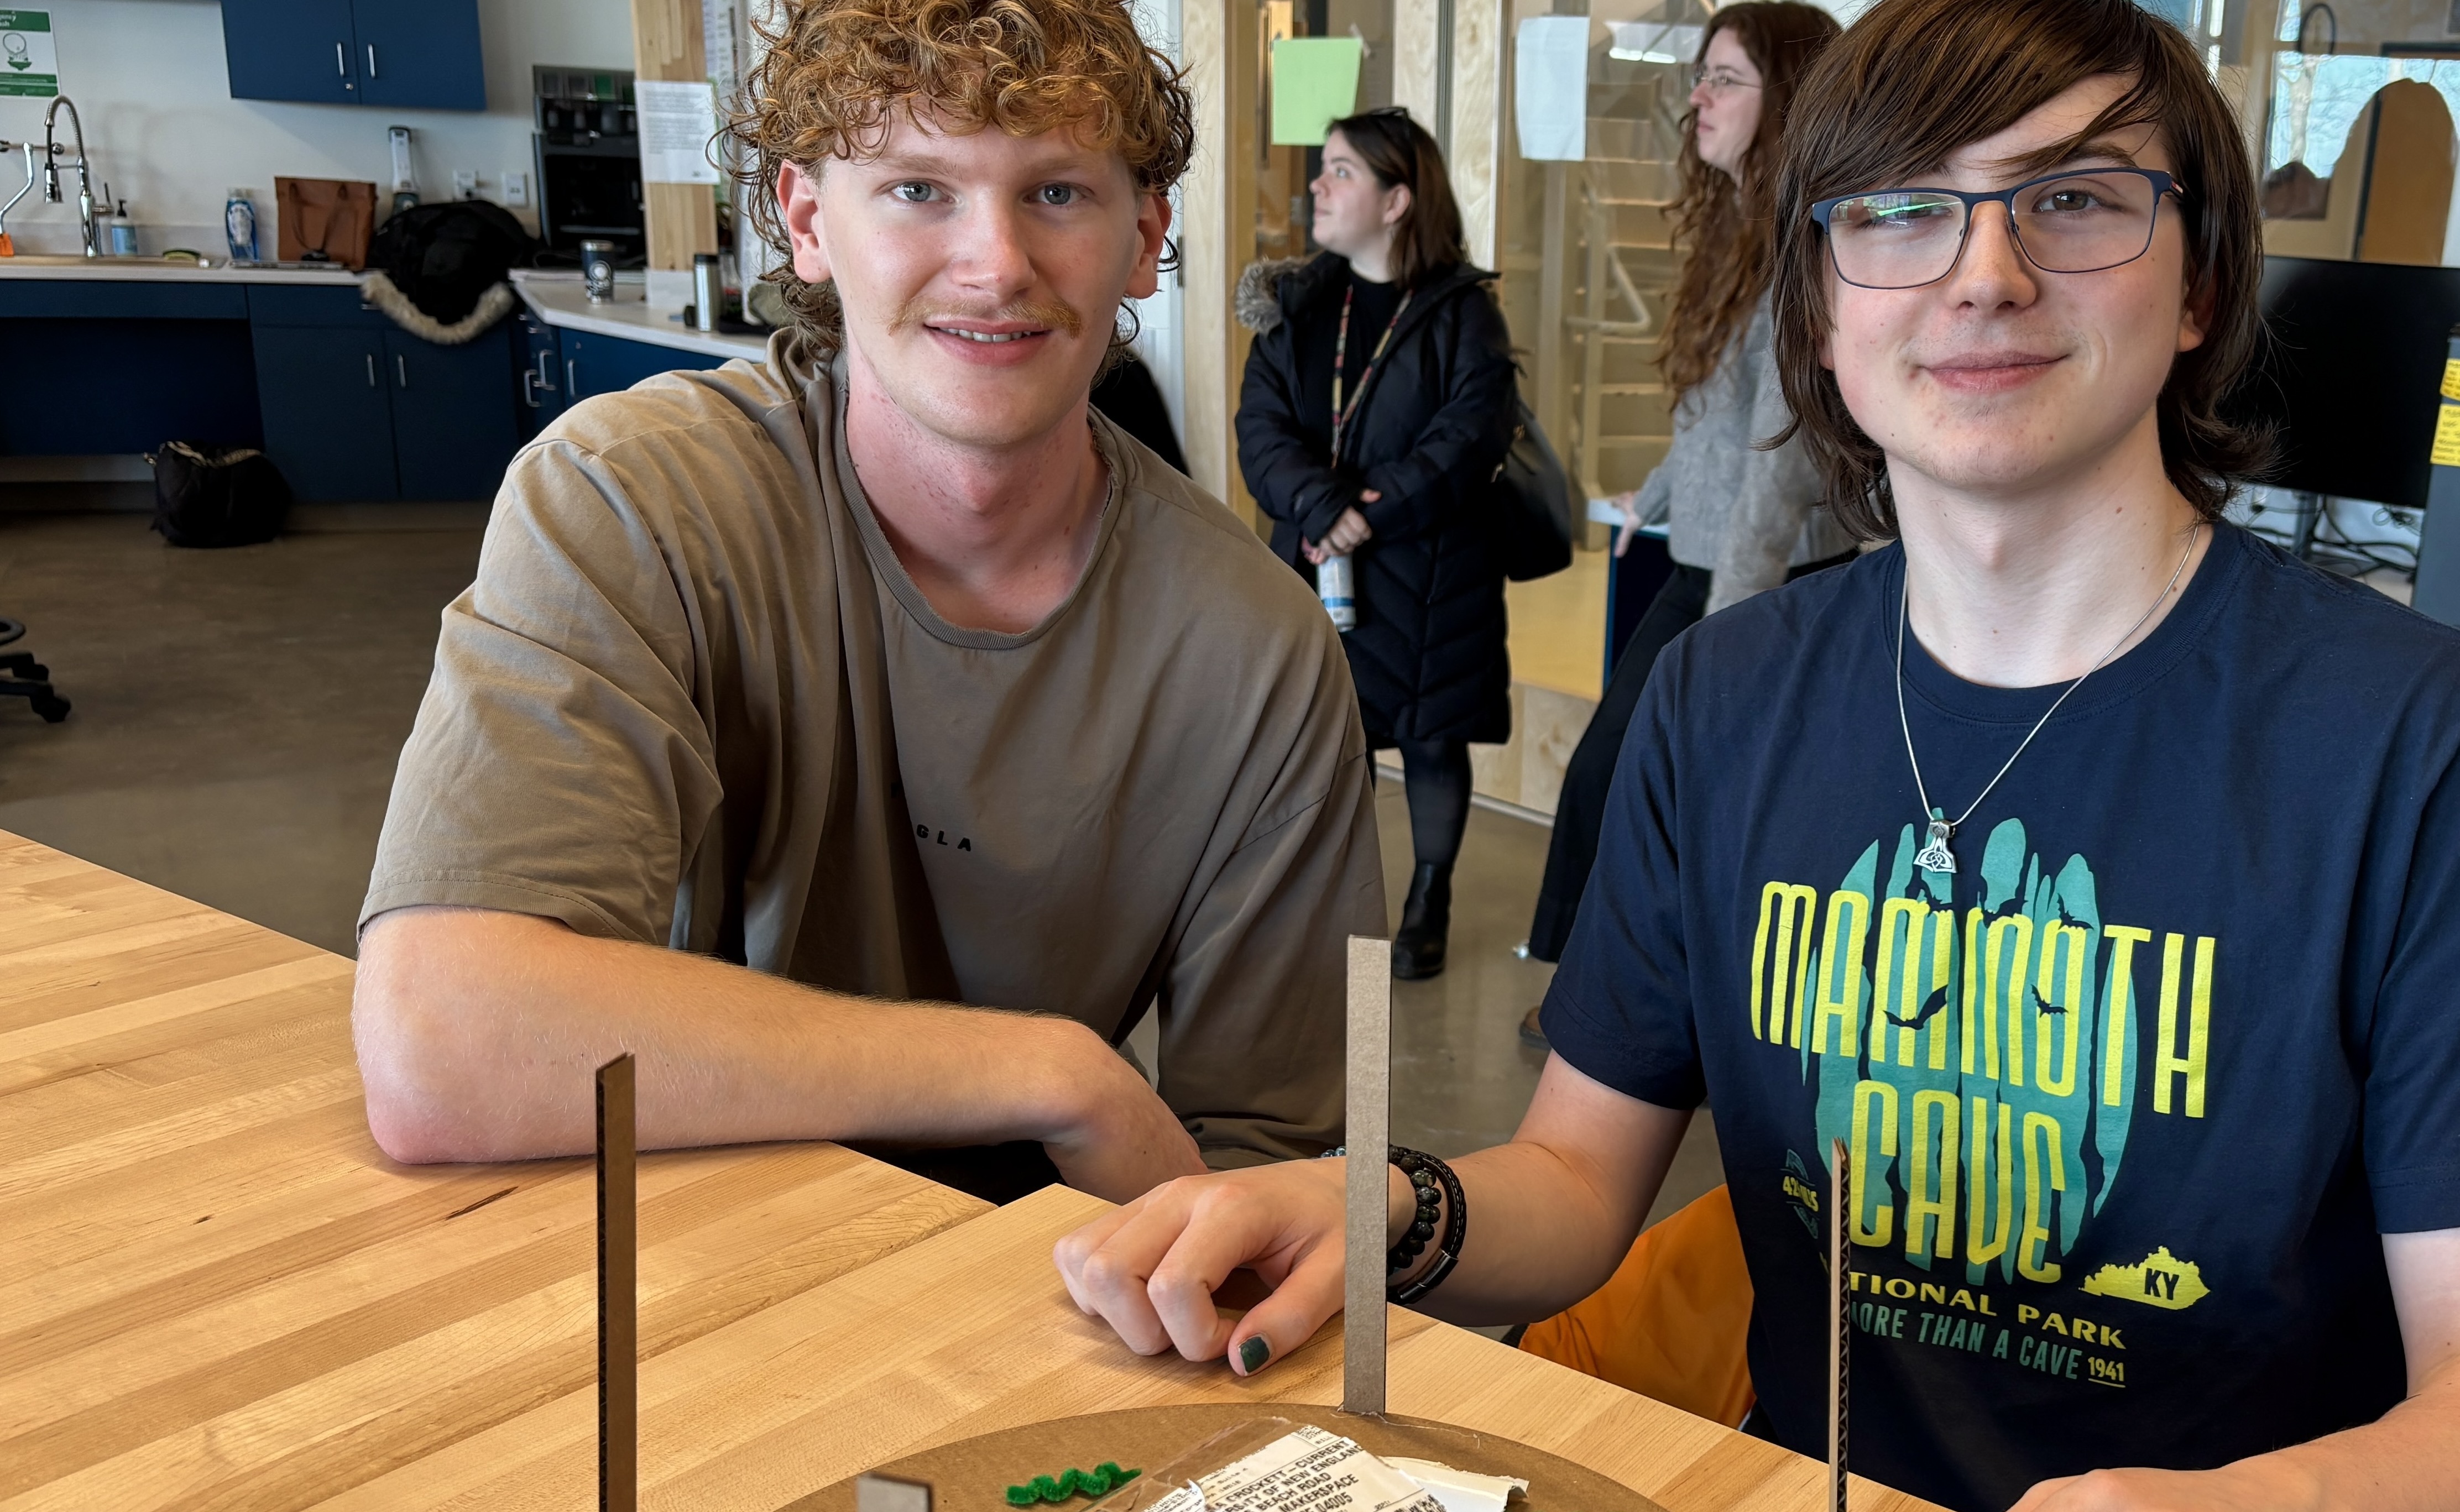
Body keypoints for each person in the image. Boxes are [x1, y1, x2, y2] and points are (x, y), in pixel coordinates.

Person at [1051, 0, 2460, 1512]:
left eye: (2073, 199)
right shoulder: (1728, 698)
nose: (1980, 273)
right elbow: (1577, 1187)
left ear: (2195, 288)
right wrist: (1379, 1209)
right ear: (1819, 308)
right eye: (1898, 211)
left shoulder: (2422, 740)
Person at [350, 0, 1383, 1205]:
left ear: (1145, 234)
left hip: (1040, 1292)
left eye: (1057, 192)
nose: (995, 264)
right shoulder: (634, 504)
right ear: (806, 219)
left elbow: (1275, 1175)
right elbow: (445, 1039)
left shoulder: (1256, 648)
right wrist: (1048, 1071)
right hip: (672, 1221)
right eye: (917, 189)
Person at [1519, 1, 1852, 1024]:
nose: (1695, 99)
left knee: (1645, 774)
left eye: (1725, 79)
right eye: (1699, 75)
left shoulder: (1807, 249)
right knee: (1631, 773)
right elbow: (1713, 419)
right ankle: (1599, 989)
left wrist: (1733, 623)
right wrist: (1651, 503)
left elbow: (1782, 457)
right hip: (1710, 561)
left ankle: (1617, 1003)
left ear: (1786, 98)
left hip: (1772, 576)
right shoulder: (1740, 234)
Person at [1237, 109, 1518, 982]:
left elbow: (1473, 433)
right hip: (1315, 564)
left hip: (1430, 572)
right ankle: (1335, 902)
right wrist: (1324, 507)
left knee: (1433, 738)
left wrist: (1373, 510)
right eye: (1322, 169)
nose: (1317, 186)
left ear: (1397, 200)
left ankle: (1427, 903)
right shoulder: (1297, 303)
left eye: (1340, 172)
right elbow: (1262, 427)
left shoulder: (1462, 310)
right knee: (1326, 739)